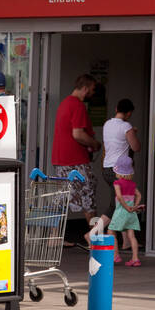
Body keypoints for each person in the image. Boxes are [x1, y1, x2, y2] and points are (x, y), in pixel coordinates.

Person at [87, 99, 141, 249]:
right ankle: (92, 233)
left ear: (116, 108)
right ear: (129, 113)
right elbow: (135, 147)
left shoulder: (107, 124)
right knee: (115, 205)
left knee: (121, 203)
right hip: (119, 172)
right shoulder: (126, 126)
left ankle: (126, 242)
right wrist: (133, 133)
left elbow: (114, 142)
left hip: (106, 168)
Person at [51, 74, 100, 236]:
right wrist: (94, 144)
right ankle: (95, 234)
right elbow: (78, 134)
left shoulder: (64, 104)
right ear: (85, 89)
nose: (93, 93)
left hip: (61, 159)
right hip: (76, 160)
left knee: (62, 199)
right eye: (92, 90)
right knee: (88, 196)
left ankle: (53, 236)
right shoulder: (78, 106)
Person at [108, 162, 142, 267]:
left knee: (111, 231)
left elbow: (119, 196)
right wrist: (134, 206)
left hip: (121, 211)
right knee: (131, 235)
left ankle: (115, 255)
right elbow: (139, 195)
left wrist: (126, 207)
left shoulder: (117, 183)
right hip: (131, 213)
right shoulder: (132, 184)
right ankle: (135, 259)